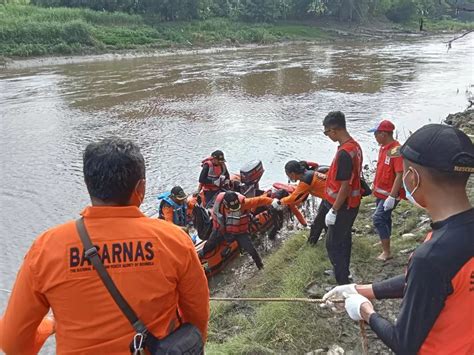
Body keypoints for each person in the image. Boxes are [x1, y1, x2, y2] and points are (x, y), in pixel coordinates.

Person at [0, 138, 210, 354]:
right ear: (141, 188)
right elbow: (197, 317)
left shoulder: (45, 249)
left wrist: (51, 324)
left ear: (89, 185)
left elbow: (12, 344)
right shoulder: (173, 240)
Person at [323, 124, 474, 354]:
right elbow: (424, 282)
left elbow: (403, 344)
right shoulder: (448, 244)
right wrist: (360, 289)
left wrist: (364, 310)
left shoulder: (431, 256)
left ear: (412, 178)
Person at [321, 111, 363, 285]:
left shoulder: (344, 153)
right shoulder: (354, 146)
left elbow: (345, 186)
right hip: (351, 204)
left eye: (326, 132)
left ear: (334, 130)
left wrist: (333, 210)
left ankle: (342, 282)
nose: (327, 135)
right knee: (344, 239)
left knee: (333, 244)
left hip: (343, 206)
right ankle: (343, 271)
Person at [200, 191, 273, 269]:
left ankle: (260, 266)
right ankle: (200, 255)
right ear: (225, 204)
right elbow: (217, 221)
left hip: (239, 231)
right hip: (222, 228)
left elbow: (259, 200)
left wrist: (273, 201)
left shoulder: (244, 203)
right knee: (211, 241)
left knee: (251, 249)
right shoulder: (219, 205)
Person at [369, 120, 405, 261]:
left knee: (378, 219)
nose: (375, 137)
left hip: (390, 194)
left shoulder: (395, 150)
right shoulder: (383, 148)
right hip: (381, 192)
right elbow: (382, 169)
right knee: (385, 218)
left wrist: (392, 196)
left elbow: (400, 174)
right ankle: (385, 240)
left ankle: (386, 251)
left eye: (376, 134)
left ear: (383, 134)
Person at [274, 160, 327, 245]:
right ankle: (327, 236)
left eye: (288, 175)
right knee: (322, 219)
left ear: (292, 173)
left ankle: (310, 245)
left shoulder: (305, 180)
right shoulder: (309, 173)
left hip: (333, 198)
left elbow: (293, 198)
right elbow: (301, 196)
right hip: (330, 197)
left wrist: (279, 202)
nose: (289, 178)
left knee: (317, 224)